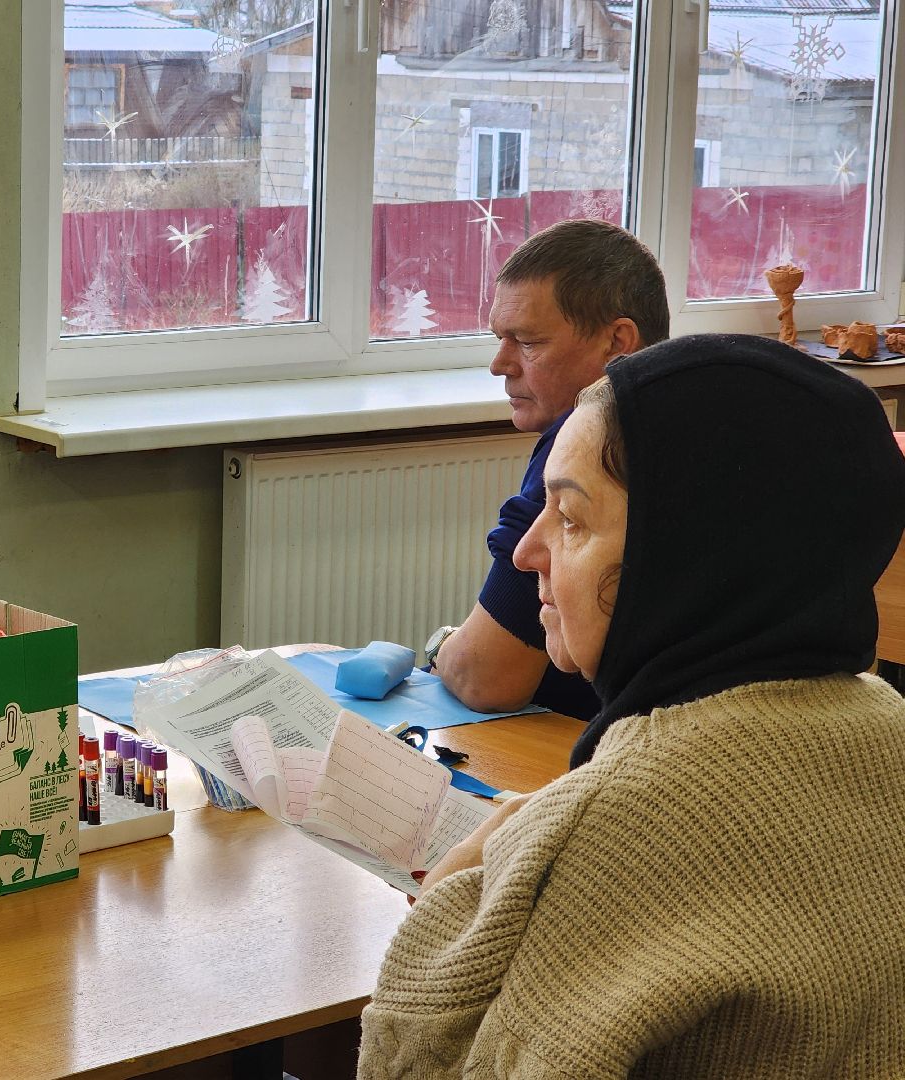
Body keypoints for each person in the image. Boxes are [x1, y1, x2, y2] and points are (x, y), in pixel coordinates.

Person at [358, 334, 905, 1077]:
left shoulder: (623, 823)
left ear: (686, 556)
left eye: (573, 520)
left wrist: (457, 890)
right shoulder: (884, 724)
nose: (527, 554)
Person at [427, 219, 669, 720]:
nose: (500, 364)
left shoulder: (586, 442)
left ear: (618, 341)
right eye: (500, 339)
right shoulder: (692, 419)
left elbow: (486, 679)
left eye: (528, 342)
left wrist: (440, 647)